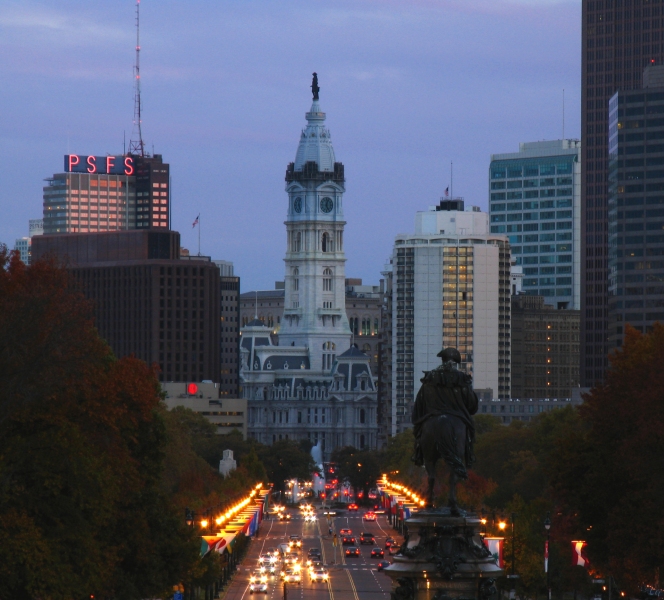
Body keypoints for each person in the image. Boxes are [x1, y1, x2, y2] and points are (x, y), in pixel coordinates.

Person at [411, 347, 478, 467]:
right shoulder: (462, 379)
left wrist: (418, 419)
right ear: (455, 362)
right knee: (470, 430)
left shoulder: (430, 377)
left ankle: (418, 454)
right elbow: (471, 403)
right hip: (457, 415)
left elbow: (420, 402)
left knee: (419, 431)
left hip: (433, 415)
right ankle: (469, 455)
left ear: (442, 360)